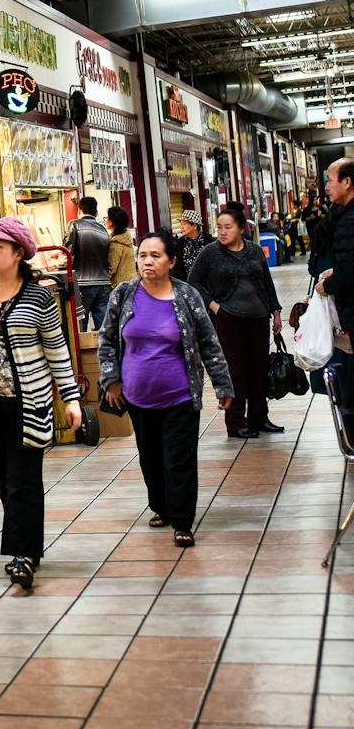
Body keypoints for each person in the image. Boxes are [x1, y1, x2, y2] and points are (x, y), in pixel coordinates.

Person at [0, 218, 83, 589]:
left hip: (29, 402)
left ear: (18, 254)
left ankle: (21, 556)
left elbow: (57, 350)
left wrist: (71, 398)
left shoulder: (39, 297)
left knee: (23, 478)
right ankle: (28, 545)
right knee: (6, 479)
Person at [99, 231, 235, 548]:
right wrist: (111, 380)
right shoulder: (124, 294)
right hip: (137, 396)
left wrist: (222, 383)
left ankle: (183, 521)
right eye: (143, 254)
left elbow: (208, 343)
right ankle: (160, 507)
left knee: (180, 459)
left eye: (155, 255)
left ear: (171, 261)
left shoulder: (187, 296)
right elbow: (107, 341)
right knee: (150, 457)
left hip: (180, 396)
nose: (147, 261)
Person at [189, 204, 283, 439]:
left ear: (241, 228)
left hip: (258, 318)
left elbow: (266, 281)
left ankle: (260, 418)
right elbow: (193, 282)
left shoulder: (254, 251)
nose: (222, 232)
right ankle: (236, 422)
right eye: (219, 227)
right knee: (236, 372)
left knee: (258, 370)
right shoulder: (210, 253)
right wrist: (214, 306)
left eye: (227, 227)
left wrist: (276, 310)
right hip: (229, 320)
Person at [315, 159, 354, 395]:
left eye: (330, 180)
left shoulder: (348, 221)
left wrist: (327, 284)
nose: (327, 186)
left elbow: (350, 275)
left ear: (347, 182)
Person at [66, 197, 111, 329]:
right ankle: (103, 349)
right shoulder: (104, 231)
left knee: (81, 325)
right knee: (102, 325)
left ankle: (84, 350)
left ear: (79, 210)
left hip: (82, 283)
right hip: (103, 283)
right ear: (96, 213)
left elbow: (67, 253)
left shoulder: (74, 224)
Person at [174, 209, 212, 283]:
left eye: (184, 224)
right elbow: (178, 267)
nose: (182, 227)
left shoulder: (208, 241)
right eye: (181, 224)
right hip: (187, 285)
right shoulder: (180, 243)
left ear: (194, 226)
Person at [107, 206, 136, 286]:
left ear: (112, 222)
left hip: (120, 285)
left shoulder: (116, 243)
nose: (106, 220)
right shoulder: (126, 237)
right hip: (131, 281)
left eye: (107, 217)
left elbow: (111, 268)